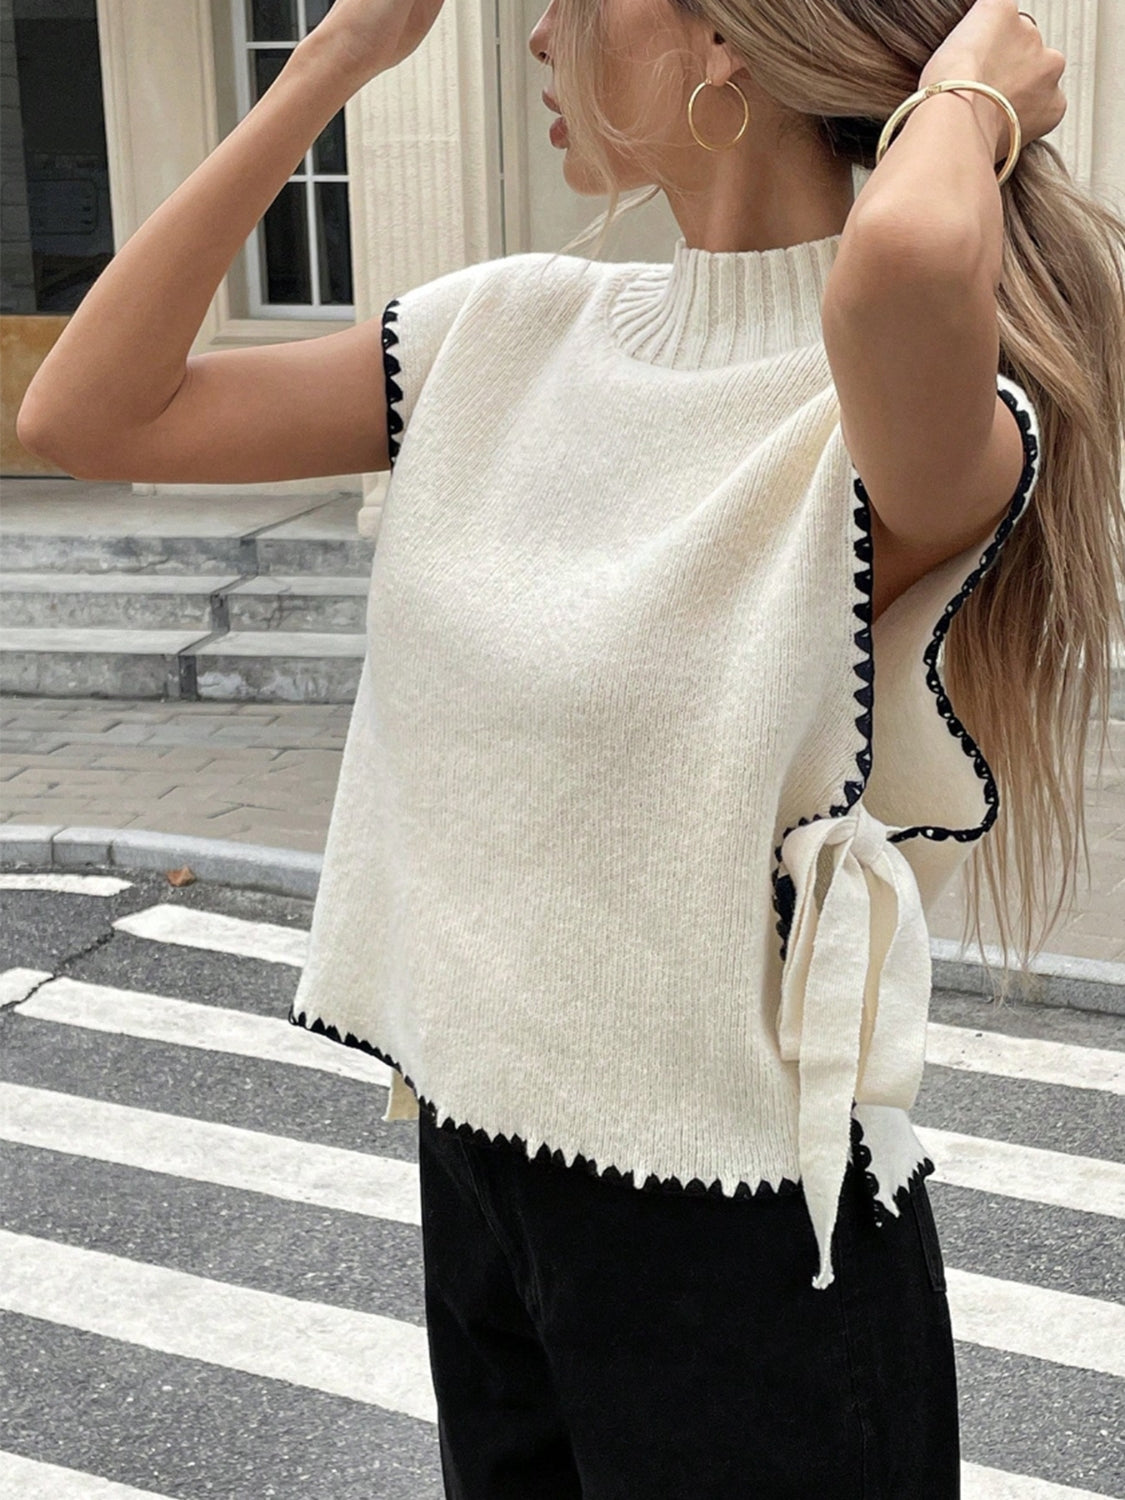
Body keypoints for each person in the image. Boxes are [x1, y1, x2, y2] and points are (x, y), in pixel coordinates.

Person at [18, 1, 1124, 1494]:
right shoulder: (506, 329)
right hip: (481, 1174)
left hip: (740, 1250)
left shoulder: (898, 403)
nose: (541, 35)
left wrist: (969, 92)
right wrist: (338, 57)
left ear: (724, 42)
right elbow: (90, 415)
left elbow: (911, 257)